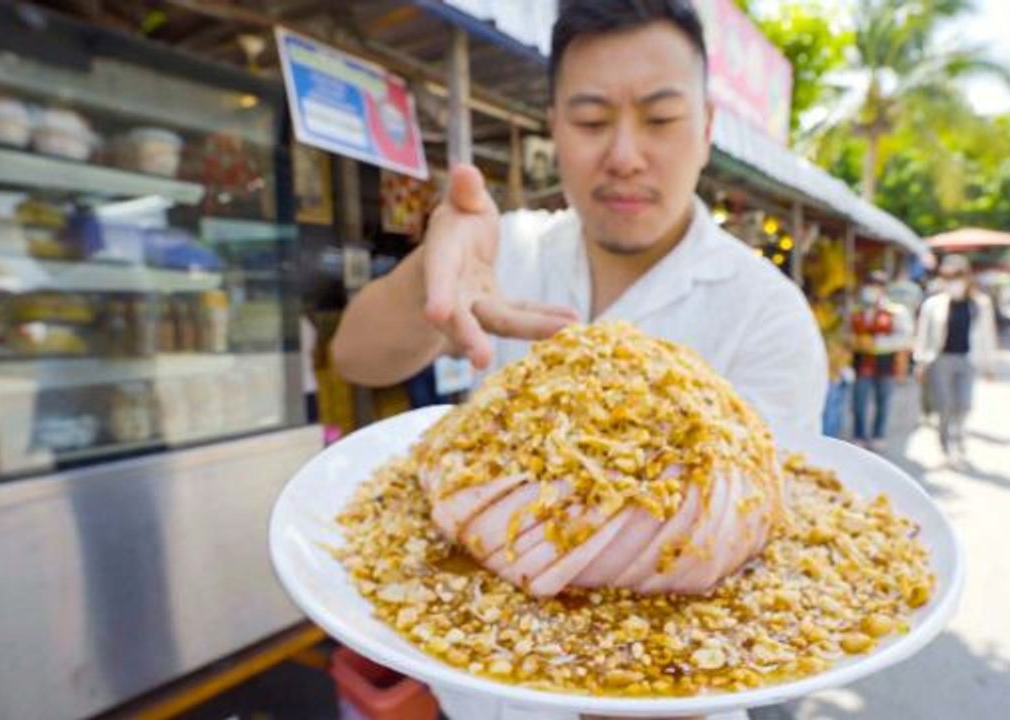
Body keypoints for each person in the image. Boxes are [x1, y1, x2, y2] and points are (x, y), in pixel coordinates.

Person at [331, 2, 825, 718]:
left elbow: (754, 548)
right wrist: (426, 286)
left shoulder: (767, 314)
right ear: (554, 127)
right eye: (592, 120)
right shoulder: (515, 250)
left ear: (708, 127)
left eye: (659, 119)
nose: (624, 153)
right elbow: (356, 357)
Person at [913, 255, 998, 465]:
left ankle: (959, 441)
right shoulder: (933, 304)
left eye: (958, 277)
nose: (954, 283)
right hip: (940, 360)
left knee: (963, 405)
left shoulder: (979, 304)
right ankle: (945, 448)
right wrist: (920, 362)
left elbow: (988, 335)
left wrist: (989, 365)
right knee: (944, 406)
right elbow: (923, 335)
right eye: (949, 278)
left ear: (967, 278)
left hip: (967, 360)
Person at [849, 271, 914, 451]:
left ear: (883, 290)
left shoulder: (896, 312)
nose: (870, 291)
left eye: (875, 287)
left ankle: (878, 435)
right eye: (868, 287)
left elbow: (905, 338)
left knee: (883, 401)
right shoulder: (856, 310)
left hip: (886, 365)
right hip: (861, 364)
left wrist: (876, 342)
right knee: (859, 402)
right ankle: (859, 434)